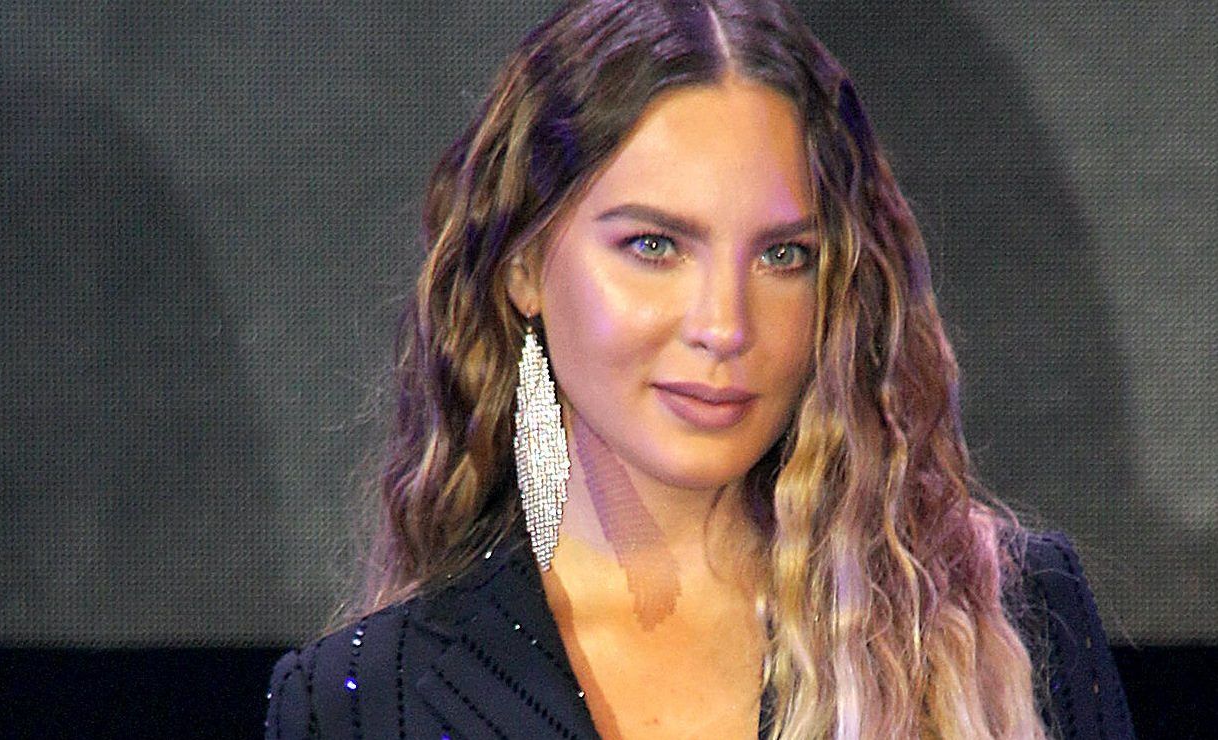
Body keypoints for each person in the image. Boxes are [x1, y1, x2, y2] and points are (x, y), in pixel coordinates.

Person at [266, 1, 1133, 737]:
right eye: (654, 246)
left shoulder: (1003, 620)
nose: (724, 326)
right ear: (523, 266)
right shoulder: (362, 703)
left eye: (783, 256)